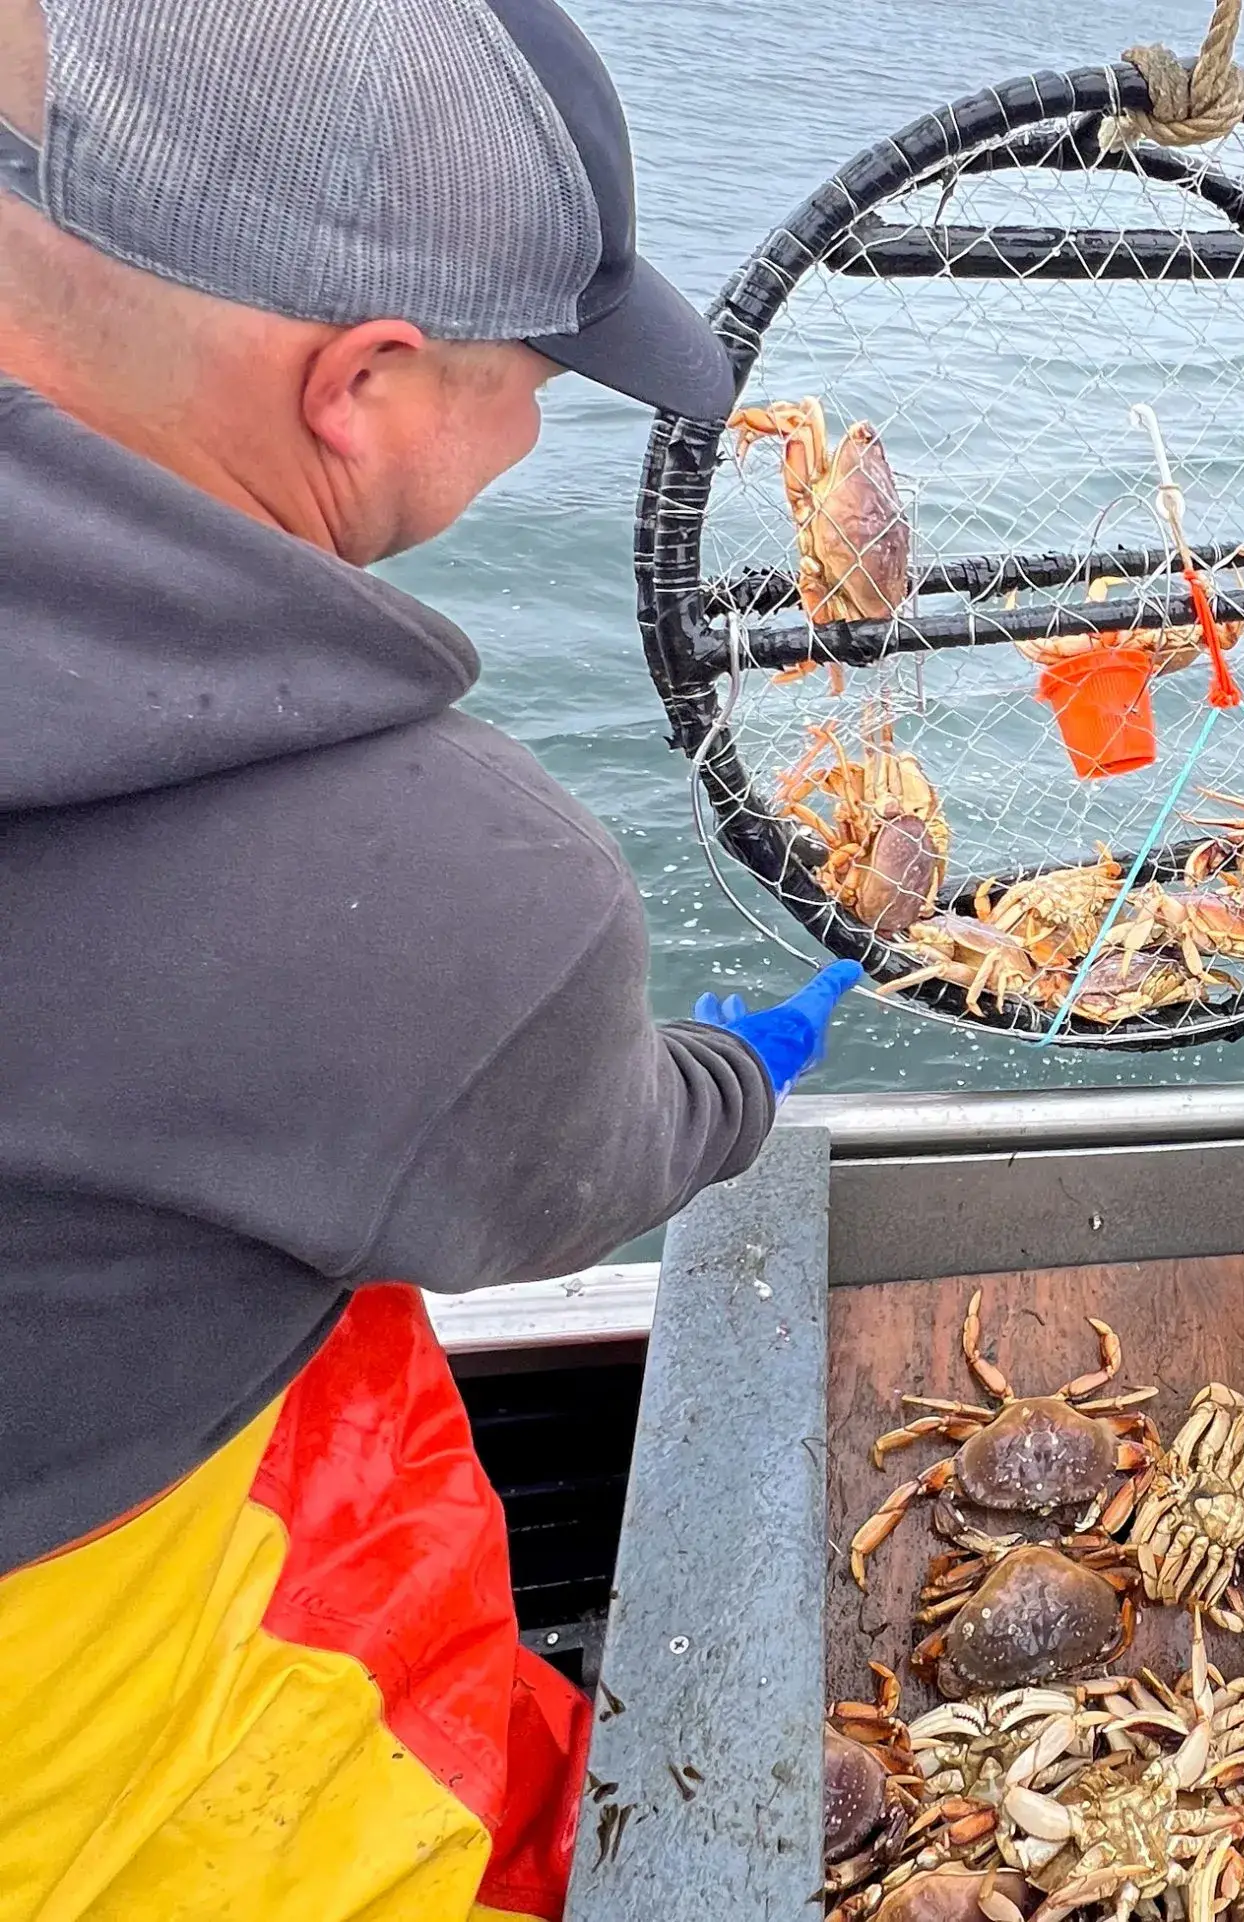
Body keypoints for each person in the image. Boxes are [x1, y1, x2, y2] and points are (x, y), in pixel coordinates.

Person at [0, 2, 863, 1917]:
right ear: (366, 385)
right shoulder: (445, 892)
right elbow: (589, 1158)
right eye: (539, 379)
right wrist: (739, 1073)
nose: (545, 426)